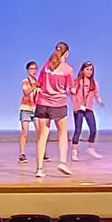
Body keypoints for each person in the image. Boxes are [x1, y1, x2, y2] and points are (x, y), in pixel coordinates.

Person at [34, 42, 74, 178]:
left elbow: (39, 83)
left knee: (41, 137)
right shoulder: (68, 70)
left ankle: (39, 169)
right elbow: (70, 89)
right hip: (58, 105)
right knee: (63, 133)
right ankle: (62, 162)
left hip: (42, 104)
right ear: (66, 53)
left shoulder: (46, 66)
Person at [71, 61, 103, 161]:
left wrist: (99, 101)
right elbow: (72, 92)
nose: (89, 72)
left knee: (93, 130)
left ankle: (90, 148)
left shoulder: (94, 83)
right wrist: (73, 95)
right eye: (87, 69)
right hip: (78, 108)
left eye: (91, 70)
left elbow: (96, 95)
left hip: (88, 108)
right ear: (83, 70)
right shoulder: (78, 81)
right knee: (78, 130)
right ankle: (74, 152)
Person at [19, 61, 49, 163]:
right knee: (25, 132)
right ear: (27, 70)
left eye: (35, 69)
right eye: (31, 69)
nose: (34, 71)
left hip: (36, 109)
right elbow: (26, 91)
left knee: (40, 132)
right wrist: (35, 86)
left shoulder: (38, 81)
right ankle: (22, 154)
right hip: (26, 108)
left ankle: (42, 153)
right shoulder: (25, 81)